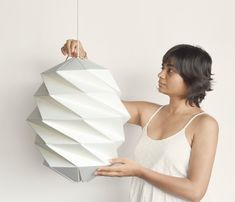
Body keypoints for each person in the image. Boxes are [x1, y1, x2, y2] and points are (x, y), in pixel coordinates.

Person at [61, 40, 219, 202]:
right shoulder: (149, 112)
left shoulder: (204, 124)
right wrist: (82, 60)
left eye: (170, 70)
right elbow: (102, 104)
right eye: (162, 68)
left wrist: (140, 172)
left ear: (192, 77)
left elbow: (195, 191)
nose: (161, 74)